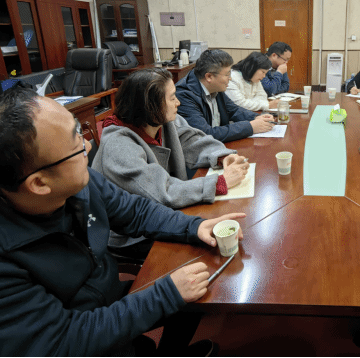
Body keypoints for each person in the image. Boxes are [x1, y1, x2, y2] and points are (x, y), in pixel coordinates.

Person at [0, 87, 246, 356]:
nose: (88, 146)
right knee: (178, 293)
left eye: (79, 133)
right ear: (39, 183)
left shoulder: (77, 183)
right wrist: (164, 295)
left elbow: (135, 211)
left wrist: (194, 226)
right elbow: (62, 343)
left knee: (200, 289)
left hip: (107, 297)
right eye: (76, 145)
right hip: (81, 334)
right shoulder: (7, 259)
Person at [92, 67, 249, 258]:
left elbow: (192, 140)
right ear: (149, 106)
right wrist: (220, 182)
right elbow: (161, 192)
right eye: (172, 97)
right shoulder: (118, 146)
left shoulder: (161, 119)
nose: (178, 102)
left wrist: (222, 156)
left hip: (167, 215)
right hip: (133, 235)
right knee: (207, 248)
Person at [176, 49, 275, 142]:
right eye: (227, 74)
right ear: (209, 76)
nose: (230, 78)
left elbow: (233, 110)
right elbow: (205, 134)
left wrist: (256, 117)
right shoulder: (185, 96)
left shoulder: (214, 86)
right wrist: (250, 127)